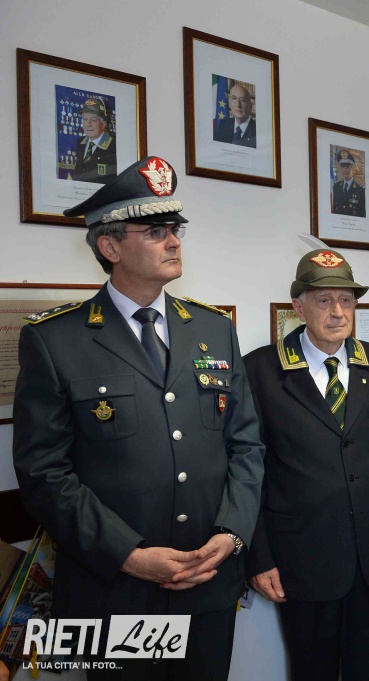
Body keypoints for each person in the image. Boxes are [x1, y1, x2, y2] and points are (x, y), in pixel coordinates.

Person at [13, 156, 265, 681]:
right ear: (110, 247)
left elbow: (246, 444)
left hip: (209, 581)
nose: (174, 242)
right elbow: (44, 473)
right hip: (116, 591)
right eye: (155, 232)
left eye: (175, 229)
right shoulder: (56, 339)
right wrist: (128, 554)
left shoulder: (213, 329)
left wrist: (232, 533)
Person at [243, 248, 369, 681]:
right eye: (324, 300)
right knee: (312, 670)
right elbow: (248, 472)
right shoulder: (260, 370)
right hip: (303, 556)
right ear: (298, 308)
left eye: (346, 300)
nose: (338, 312)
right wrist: (258, 557)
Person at [69, 97, 117, 184]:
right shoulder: (80, 143)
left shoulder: (113, 147)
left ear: (103, 124)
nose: (88, 124)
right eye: (85, 119)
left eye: (93, 120)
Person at [214, 83, 257, 147]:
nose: (238, 105)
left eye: (242, 100)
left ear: (250, 107)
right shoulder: (224, 124)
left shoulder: (257, 131)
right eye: (234, 98)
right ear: (229, 103)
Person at [331, 153, 366, 217]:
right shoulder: (336, 187)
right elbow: (334, 210)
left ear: (352, 168)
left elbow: (362, 214)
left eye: (347, 166)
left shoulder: (360, 190)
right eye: (343, 166)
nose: (345, 170)